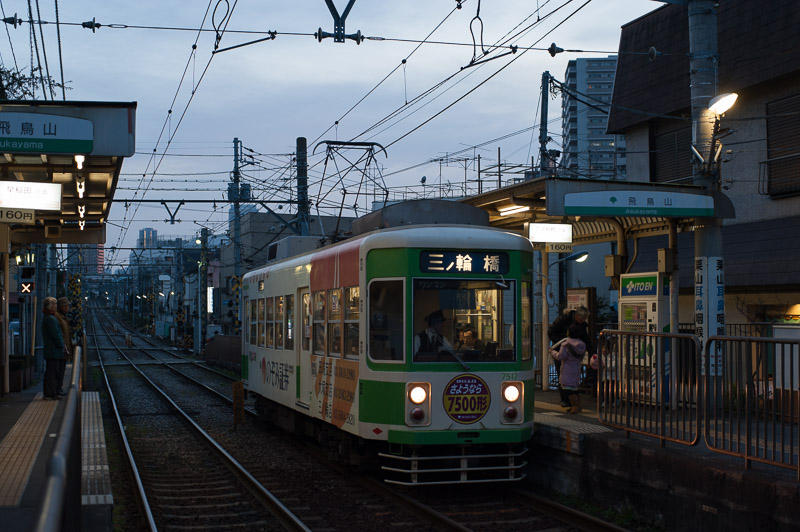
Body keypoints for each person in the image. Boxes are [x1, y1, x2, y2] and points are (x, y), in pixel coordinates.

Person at [551, 324, 587, 414]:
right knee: (575, 388)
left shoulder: (566, 344)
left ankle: (574, 407)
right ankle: (578, 406)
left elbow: (561, 356)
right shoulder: (582, 344)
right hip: (577, 367)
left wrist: (553, 352)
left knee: (568, 390)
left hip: (567, 369)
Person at [41, 297, 65, 400]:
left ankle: (50, 392)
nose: (56, 307)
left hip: (51, 350)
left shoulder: (48, 318)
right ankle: (51, 393)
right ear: (50, 307)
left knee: (51, 372)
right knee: (53, 372)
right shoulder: (51, 319)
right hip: (53, 351)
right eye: (54, 305)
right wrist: (62, 345)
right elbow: (56, 335)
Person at [55, 297, 73, 395]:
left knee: (62, 370)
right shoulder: (58, 318)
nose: (68, 308)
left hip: (64, 348)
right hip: (61, 349)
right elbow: (60, 334)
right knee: (59, 370)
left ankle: (59, 389)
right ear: (61, 307)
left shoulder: (63, 317)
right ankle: (57, 389)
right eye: (66, 306)